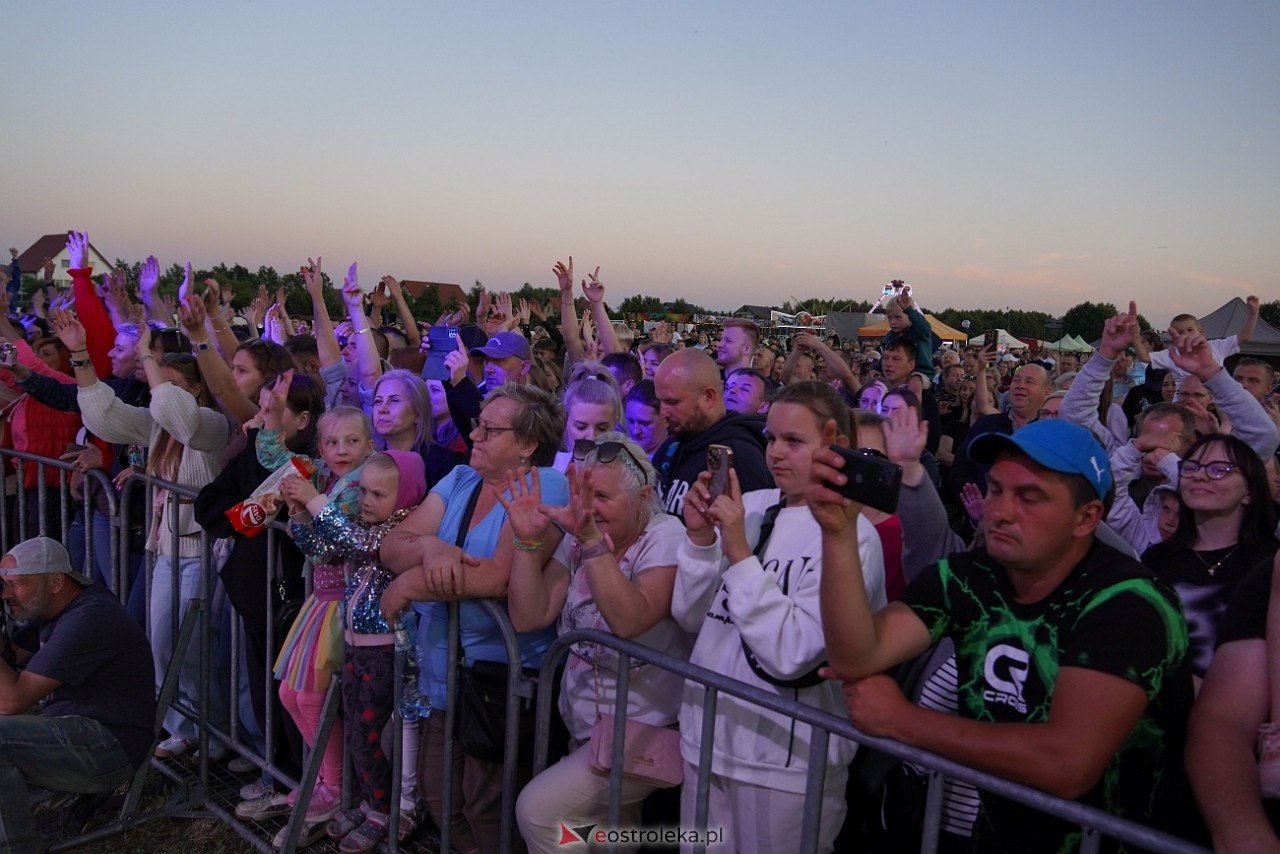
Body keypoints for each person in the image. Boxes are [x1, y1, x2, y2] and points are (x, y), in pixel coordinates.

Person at [816, 419, 1199, 851]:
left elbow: (1067, 763)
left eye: (1029, 497)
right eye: (996, 489)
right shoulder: (969, 576)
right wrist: (838, 533)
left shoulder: (1131, 603)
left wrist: (902, 721)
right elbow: (856, 658)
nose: (1000, 510)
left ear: (1086, 517)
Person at [673, 382, 886, 852]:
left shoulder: (853, 539)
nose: (775, 453)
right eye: (771, 438)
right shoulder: (750, 507)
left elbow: (793, 656)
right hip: (709, 738)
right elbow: (691, 617)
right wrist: (699, 540)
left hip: (785, 762)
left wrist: (738, 552)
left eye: (794, 441)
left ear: (836, 448)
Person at [378, 383, 570, 854]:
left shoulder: (546, 485)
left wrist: (408, 584)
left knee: (487, 808)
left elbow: (498, 577)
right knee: (440, 798)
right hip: (443, 680)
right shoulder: (461, 479)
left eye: (490, 428)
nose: (475, 433)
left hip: (498, 685)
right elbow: (392, 545)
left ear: (526, 444)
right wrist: (430, 546)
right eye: (478, 424)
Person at [505, 434, 692, 852]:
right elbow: (529, 615)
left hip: (641, 733)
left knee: (538, 812)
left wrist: (590, 542)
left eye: (601, 496)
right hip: (587, 727)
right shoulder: (580, 533)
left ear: (643, 496)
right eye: (581, 495)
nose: (586, 509)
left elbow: (631, 620)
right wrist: (526, 541)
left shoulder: (666, 537)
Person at [286, 451, 427, 852]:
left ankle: (383, 812)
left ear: (406, 499)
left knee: (368, 739)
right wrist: (299, 515)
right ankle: (369, 804)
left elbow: (357, 543)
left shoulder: (397, 533)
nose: (365, 500)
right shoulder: (368, 527)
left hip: (384, 655)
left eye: (378, 494)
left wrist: (316, 500)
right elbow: (321, 549)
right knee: (356, 736)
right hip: (354, 648)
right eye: (363, 490)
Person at [0, 538, 155, 854]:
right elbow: (12, 656)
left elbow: (11, 701)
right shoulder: (57, 606)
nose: (5, 595)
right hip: (80, 732)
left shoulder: (89, 618)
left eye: (16, 585)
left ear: (55, 581)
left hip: (108, 747)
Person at [1141, 433, 1279, 680]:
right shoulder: (1157, 558)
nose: (1200, 475)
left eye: (1220, 469)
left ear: (1249, 492)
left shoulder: (1270, 564)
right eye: (1191, 467)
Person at [651, 348, 772, 516]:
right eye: (660, 401)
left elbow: (743, 538)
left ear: (708, 397)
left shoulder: (738, 457)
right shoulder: (672, 444)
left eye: (672, 402)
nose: (663, 412)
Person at [623, 380, 668, 460]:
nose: (635, 431)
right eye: (631, 421)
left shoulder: (677, 461)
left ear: (665, 420)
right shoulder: (619, 455)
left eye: (644, 423)